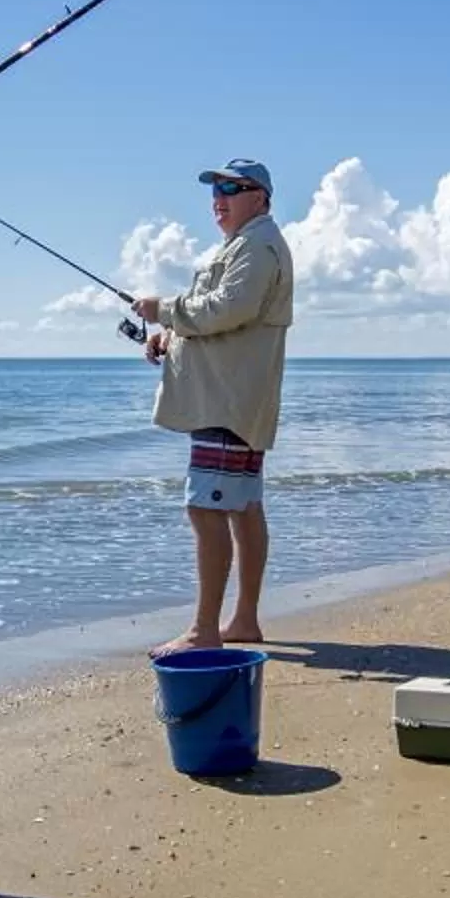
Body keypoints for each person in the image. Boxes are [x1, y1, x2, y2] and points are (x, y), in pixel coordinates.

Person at [131, 157, 295, 652]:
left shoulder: (259, 245)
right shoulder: (247, 245)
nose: (218, 198)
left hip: (225, 405)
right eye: (214, 189)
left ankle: (205, 631)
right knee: (243, 508)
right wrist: (170, 335)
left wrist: (163, 310)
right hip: (233, 402)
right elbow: (221, 315)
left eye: (230, 187)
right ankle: (243, 620)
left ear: (260, 197)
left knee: (206, 510)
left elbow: (229, 308)